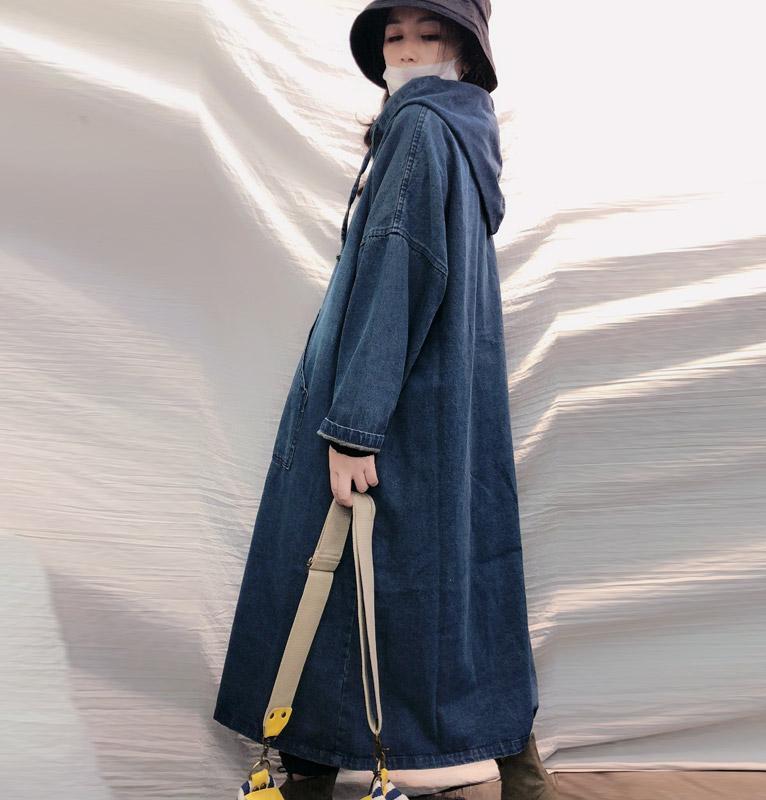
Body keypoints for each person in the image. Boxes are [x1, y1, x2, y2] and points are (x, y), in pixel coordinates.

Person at [213, 3, 560, 799]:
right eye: (394, 36)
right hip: (442, 407)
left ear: (465, 52)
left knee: (323, 569)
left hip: (390, 408)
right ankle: (517, 767)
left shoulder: (420, 130)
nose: (407, 50)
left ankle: (306, 773)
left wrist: (353, 428)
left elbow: (398, 269)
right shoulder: (458, 132)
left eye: (428, 35)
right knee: (453, 578)